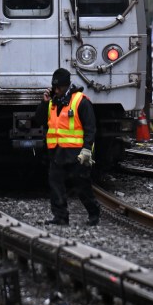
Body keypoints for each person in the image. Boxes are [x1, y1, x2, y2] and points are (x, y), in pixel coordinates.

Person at [32, 68, 101, 227]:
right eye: (54, 87)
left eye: (59, 88)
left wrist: (87, 149)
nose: (56, 90)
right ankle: (60, 217)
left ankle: (94, 213)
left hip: (77, 154)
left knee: (82, 185)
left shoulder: (81, 101)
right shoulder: (52, 102)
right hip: (57, 152)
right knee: (56, 185)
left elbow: (90, 128)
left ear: (67, 85)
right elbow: (40, 120)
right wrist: (43, 102)